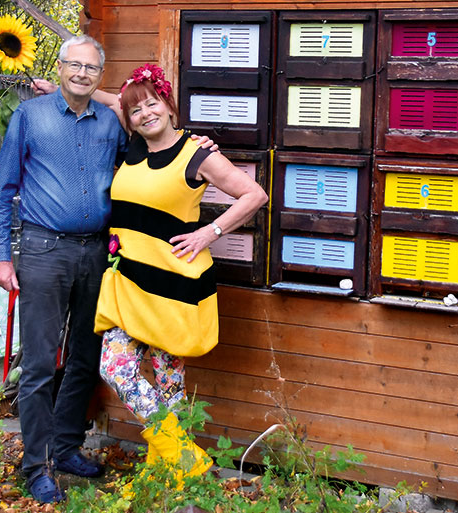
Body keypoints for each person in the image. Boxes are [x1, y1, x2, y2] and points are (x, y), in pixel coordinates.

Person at [0, 37, 217, 504]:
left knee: (86, 359)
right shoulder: (31, 117)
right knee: (39, 365)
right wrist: (2, 256)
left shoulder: (111, 123)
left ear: (99, 74)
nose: (82, 74)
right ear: (61, 66)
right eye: (73, 65)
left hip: (98, 255)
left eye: (91, 68)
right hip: (43, 250)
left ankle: (67, 448)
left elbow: (151, 134)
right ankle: (36, 466)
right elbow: (1, 186)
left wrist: (199, 142)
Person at [91, 63, 267, 486]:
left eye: (153, 104)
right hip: (128, 282)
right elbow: (115, 100)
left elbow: (254, 194)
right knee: (115, 368)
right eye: (136, 111)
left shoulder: (199, 154)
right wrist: (65, 86)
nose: (144, 114)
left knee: (169, 384)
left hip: (174, 283)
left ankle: (167, 474)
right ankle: (186, 457)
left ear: (170, 108)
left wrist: (210, 231)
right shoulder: (133, 147)